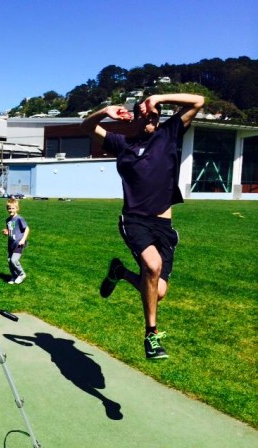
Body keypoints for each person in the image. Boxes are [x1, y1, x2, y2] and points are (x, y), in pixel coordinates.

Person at [81, 93, 204, 360]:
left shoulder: (168, 134)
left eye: (156, 113)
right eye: (146, 113)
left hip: (164, 225)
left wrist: (159, 97)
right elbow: (86, 127)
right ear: (134, 118)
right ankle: (151, 334)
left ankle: (120, 272)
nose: (152, 116)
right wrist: (104, 110)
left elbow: (198, 101)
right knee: (152, 266)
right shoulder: (121, 142)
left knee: (157, 292)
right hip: (134, 220)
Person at [2, 198, 30, 284]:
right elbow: (10, 230)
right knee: (10, 261)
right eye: (9, 208)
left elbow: (27, 229)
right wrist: (6, 232)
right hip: (11, 244)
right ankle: (14, 276)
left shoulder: (19, 219)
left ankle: (21, 274)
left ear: (17, 208)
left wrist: (23, 240)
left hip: (19, 243)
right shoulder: (8, 220)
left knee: (14, 260)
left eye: (13, 208)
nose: (11, 210)